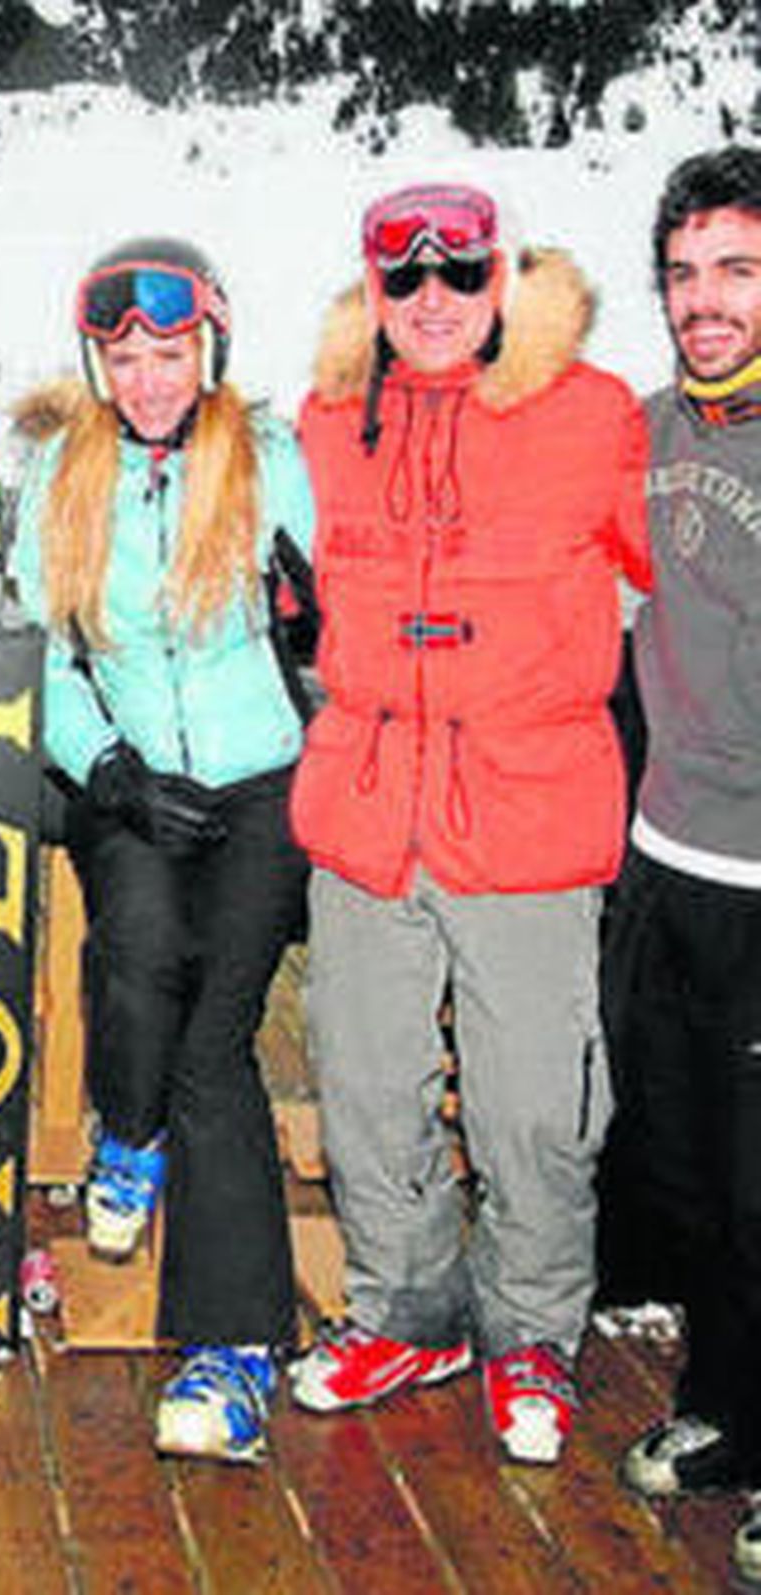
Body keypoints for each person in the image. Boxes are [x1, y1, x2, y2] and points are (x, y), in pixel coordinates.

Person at [285, 182, 650, 1465]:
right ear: (372, 296)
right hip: (369, 804)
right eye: (404, 280)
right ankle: (407, 1309)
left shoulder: (597, 416)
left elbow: (695, 570)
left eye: (458, 275)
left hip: (530, 811)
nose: (431, 302)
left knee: (536, 1107)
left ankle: (535, 1332)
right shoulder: (328, 421)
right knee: (370, 1087)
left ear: (501, 280)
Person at [11, 237, 316, 1462]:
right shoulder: (58, 474)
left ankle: (232, 1349)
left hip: (258, 779)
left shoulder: (272, 463)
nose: (145, 379)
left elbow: (330, 609)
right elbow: (37, 648)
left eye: (169, 352)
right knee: (136, 944)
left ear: (211, 348)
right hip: (129, 773)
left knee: (214, 1039)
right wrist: (108, 766)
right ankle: (121, 1127)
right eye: (123, 356)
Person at [605, 146, 761, 1588]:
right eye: (686, 273)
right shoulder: (649, 431)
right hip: (669, 852)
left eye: (738, 270)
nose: (705, 300)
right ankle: (726, 1406)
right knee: (696, 1172)